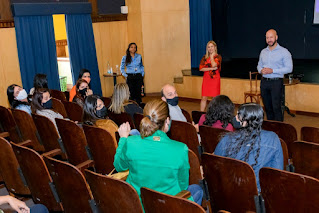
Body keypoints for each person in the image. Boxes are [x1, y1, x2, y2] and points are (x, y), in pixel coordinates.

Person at [114, 99, 203, 206]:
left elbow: (119, 166)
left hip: (138, 205)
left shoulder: (130, 143)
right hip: (167, 206)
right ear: (167, 121)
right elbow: (183, 186)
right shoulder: (181, 149)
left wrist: (123, 139)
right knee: (197, 189)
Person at [214, 103, 283, 191]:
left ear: (246, 121)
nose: (235, 117)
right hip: (259, 194)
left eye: (238, 115)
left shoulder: (226, 139)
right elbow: (277, 172)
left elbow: (216, 167)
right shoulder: (273, 138)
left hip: (229, 191)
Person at [257, 29, 293, 121]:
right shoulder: (263, 52)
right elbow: (259, 65)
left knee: (276, 108)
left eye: (271, 37)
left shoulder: (284, 52)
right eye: (267, 37)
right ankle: (271, 129)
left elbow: (289, 68)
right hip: (264, 82)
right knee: (267, 108)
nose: (269, 39)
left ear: (276, 37)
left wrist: (273, 71)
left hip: (276, 83)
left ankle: (279, 130)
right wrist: (261, 70)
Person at [199, 41, 222, 111]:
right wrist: (211, 68)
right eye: (209, 47)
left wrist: (212, 57)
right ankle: (200, 114)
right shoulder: (204, 57)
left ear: (215, 47)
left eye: (212, 46)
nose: (210, 48)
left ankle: (215, 115)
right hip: (206, 79)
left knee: (215, 98)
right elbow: (201, 68)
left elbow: (215, 65)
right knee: (204, 97)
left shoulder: (218, 57)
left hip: (215, 79)